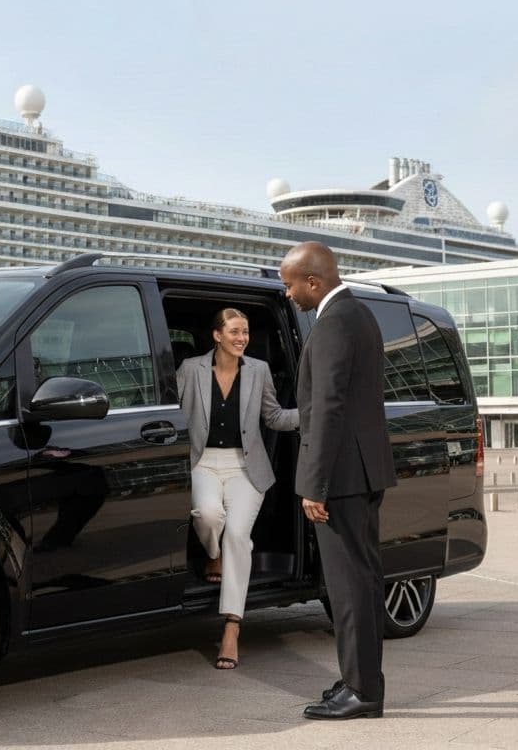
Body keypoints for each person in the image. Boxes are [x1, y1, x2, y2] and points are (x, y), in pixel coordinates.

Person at [279, 241, 397, 720]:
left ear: (313, 281)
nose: (287, 295)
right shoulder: (363, 315)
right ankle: (361, 680)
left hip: (341, 476)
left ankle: (362, 692)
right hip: (365, 470)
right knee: (365, 582)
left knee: (348, 588)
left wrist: (313, 484)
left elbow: (326, 409)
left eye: (289, 285)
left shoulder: (332, 324)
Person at [176, 308, 298, 670]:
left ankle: (232, 626)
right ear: (217, 335)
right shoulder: (191, 370)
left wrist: (314, 412)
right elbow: (178, 417)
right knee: (208, 515)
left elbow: (274, 417)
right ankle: (211, 552)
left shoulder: (258, 371)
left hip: (245, 466)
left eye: (245, 332)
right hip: (203, 462)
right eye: (234, 331)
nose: (242, 338)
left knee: (239, 537)